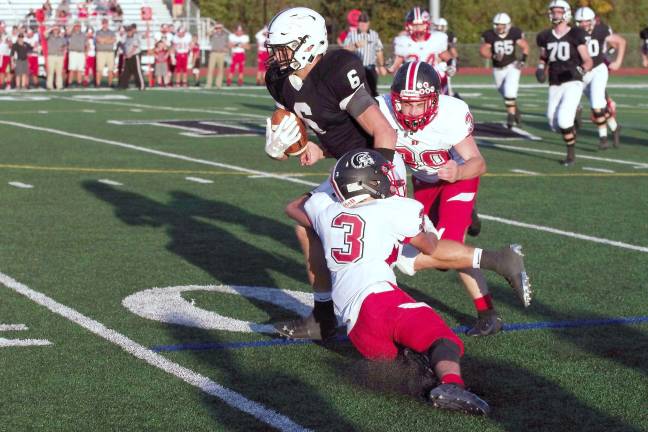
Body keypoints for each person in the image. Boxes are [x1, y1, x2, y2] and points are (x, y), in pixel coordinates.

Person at [264, 8, 530, 340]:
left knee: (408, 258)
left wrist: (379, 178)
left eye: (282, 48)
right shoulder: (278, 81)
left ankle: (497, 260)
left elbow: (383, 133)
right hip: (346, 166)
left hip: (373, 167)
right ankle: (322, 316)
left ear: (307, 44)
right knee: (305, 220)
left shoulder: (336, 70)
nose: (275, 56)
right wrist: (298, 145)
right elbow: (310, 123)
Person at [301, 148, 490, 415]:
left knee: (416, 360)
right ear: (370, 183)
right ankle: (452, 384)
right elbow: (430, 247)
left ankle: (431, 381)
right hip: (379, 302)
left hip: (356, 328)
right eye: (381, 176)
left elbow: (295, 208)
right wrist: (426, 225)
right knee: (443, 339)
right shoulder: (394, 208)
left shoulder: (324, 211)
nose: (389, 180)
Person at [378, 61, 530, 335]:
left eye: (419, 104)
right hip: (423, 183)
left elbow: (478, 163)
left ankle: (492, 297)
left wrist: (459, 170)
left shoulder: (450, 114)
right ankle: (489, 311)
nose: (411, 112)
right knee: (442, 254)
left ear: (434, 101)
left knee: (444, 246)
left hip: (457, 178)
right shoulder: (382, 109)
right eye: (405, 104)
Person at [536, 0, 593, 166]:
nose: (555, 15)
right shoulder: (545, 36)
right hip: (555, 81)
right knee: (553, 122)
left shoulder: (576, 34)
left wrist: (581, 70)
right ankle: (575, 113)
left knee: (563, 121)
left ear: (566, 13)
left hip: (572, 80)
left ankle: (570, 155)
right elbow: (543, 56)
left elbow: (588, 60)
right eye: (553, 12)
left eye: (559, 12)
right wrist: (540, 68)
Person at [574, 7, 625, 149]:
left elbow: (621, 41)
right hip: (583, 72)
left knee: (597, 105)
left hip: (598, 70)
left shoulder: (601, 29)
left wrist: (618, 61)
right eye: (580, 22)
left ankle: (603, 138)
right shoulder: (573, 33)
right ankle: (615, 128)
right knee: (599, 106)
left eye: (586, 22)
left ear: (592, 21)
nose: (584, 25)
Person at [480, 13, 529, 129]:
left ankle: (511, 117)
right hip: (498, 69)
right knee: (505, 94)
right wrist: (493, 55)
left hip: (512, 66)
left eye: (502, 25)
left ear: (508, 25)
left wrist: (523, 60)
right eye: (497, 25)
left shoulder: (514, 33)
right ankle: (515, 110)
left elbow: (525, 46)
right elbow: (483, 50)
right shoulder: (490, 35)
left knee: (509, 93)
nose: (499, 27)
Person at [389, 7, 452, 96]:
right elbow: (394, 64)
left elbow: (445, 56)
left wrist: (452, 64)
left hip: (433, 78)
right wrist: (390, 65)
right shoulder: (403, 41)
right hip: (412, 80)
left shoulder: (436, 39)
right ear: (409, 26)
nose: (418, 28)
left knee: (441, 71)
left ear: (426, 24)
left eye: (421, 24)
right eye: (415, 25)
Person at [343, 12, 387, 97]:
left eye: (365, 23)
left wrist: (381, 65)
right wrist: (355, 45)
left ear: (368, 23)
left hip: (370, 68)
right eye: (361, 23)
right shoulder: (352, 34)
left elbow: (379, 50)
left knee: (373, 91)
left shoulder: (374, 35)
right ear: (358, 23)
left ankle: (374, 109)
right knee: (356, 92)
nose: (363, 25)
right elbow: (344, 50)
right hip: (356, 68)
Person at [433, 17, 459, 98]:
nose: (440, 29)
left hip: (442, 63)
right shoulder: (432, 36)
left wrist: (453, 63)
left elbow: (452, 51)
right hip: (438, 62)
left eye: (441, 27)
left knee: (444, 89)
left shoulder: (448, 36)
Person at [118, 24, 144, 90]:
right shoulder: (125, 37)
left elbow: (135, 46)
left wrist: (130, 54)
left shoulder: (135, 37)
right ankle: (123, 85)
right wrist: (125, 53)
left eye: (129, 30)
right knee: (126, 71)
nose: (128, 32)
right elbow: (122, 44)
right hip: (127, 56)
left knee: (137, 71)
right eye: (127, 30)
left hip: (135, 55)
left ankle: (141, 85)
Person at [206, 22, 228, 89]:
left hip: (221, 53)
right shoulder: (213, 34)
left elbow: (227, 43)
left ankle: (218, 84)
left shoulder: (225, 35)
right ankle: (209, 84)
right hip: (214, 53)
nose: (218, 29)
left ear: (222, 28)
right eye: (217, 28)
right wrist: (213, 27)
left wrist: (226, 49)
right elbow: (207, 33)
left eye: (220, 28)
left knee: (220, 69)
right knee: (210, 69)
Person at [95, 18, 116, 87]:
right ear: (102, 24)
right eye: (104, 23)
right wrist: (107, 39)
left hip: (110, 52)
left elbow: (113, 40)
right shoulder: (98, 32)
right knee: (99, 69)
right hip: (101, 52)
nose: (105, 24)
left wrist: (104, 40)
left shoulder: (111, 32)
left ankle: (110, 83)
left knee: (111, 69)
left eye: (106, 23)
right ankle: (98, 83)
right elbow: (99, 40)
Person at [46, 25, 66, 90]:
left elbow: (65, 46)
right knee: (50, 72)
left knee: (59, 72)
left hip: (59, 56)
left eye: (57, 30)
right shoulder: (49, 37)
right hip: (51, 56)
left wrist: (63, 49)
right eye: (55, 30)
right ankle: (49, 86)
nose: (56, 31)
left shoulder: (61, 38)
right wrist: (51, 28)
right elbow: (44, 33)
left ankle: (59, 85)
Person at [67, 22, 86, 87]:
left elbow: (86, 44)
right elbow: (68, 32)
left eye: (79, 26)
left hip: (81, 53)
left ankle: (79, 83)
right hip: (73, 52)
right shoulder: (72, 33)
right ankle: (69, 83)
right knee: (72, 69)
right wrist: (73, 25)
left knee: (80, 69)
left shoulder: (83, 35)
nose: (77, 28)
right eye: (76, 26)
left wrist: (86, 53)